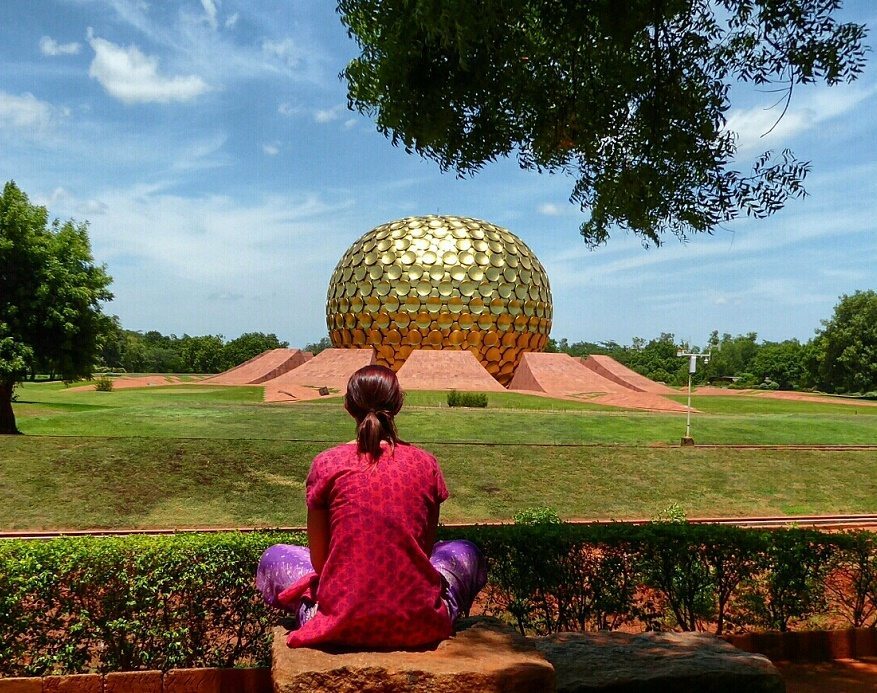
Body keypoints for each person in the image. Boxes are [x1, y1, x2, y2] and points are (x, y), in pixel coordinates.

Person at [256, 364, 486, 649]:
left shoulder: (327, 463)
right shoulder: (426, 464)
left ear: (347, 406)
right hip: (420, 622)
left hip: (338, 622)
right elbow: (423, 553)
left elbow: (319, 562)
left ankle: (330, 606)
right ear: (398, 404)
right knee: (465, 551)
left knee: (275, 556)